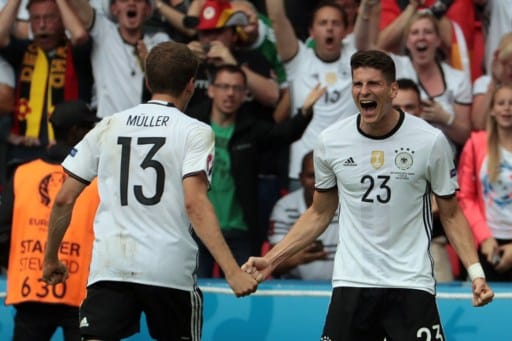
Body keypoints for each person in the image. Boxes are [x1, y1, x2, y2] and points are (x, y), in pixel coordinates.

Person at [242, 50, 494, 340]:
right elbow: (319, 213)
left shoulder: (430, 141)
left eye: (373, 84)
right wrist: (271, 260)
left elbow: (450, 213)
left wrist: (476, 273)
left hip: (410, 284)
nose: (364, 91)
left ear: (393, 90)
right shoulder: (332, 142)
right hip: (353, 283)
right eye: (357, 84)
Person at [42, 42, 257, 341]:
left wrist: (50, 258)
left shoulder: (108, 126)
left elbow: (65, 198)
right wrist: (232, 271)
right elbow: (195, 203)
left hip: (111, 266)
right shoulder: (194, 130)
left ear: (147, 81)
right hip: (168, 268)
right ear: (191, 85)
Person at [187, 64, 324, 276]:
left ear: (245, 94)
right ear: (210, 89)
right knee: (193, 289)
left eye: (237, 88)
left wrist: (304, 112)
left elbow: (283, 135)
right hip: (197, 228)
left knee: (246, 289)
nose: (230, 93)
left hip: (240, 228)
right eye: (224, 86)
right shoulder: (191, 123)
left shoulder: (250, 128)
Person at [0, 100, 99, 341]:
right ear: (77, 131)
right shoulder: (96, 179)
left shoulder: (22, 173)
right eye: (89, 128)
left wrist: (21, 266)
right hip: (80, 291)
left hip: (31, 286)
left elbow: (3, 232)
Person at [265, 0, 362, 190]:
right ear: (311, 31)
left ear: (345, 31)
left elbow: (369, 19)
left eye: (335, 23)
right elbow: (277, 18)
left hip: (350, 170)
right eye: (323, 23)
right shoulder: (298, 60)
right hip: (304, 173)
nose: (329, 28)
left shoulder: (357, 59)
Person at [359, 2, 472, 154]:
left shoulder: (458, 79)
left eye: (427, 32)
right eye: (415, 32)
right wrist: (366, 10)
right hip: (398, 159)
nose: (421, 37)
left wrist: (445, 118)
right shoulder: (394, 67)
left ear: (438, 40)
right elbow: (364, 50)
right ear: (407, 42)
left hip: (442, 162)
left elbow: (465, 136)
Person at [0, 0, 93, 169]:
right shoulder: (23, 51)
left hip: (67, 152)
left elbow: (79, 35)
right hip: (25, 152)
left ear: (62, 20)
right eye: (36, 18)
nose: (42, 25)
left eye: (49, 18)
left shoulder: (77, 53)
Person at [393, 77, 455, 282]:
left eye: (409, 107)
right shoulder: (370, 145)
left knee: (442, 309)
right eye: (396, 106)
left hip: (429, 245)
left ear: (420, 109)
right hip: (384, 247)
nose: (403, 112)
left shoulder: (434, 143)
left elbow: (443, 203)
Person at [67, 0, 170, 117]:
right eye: (123, 0)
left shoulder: (160, 45)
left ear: (147, 9)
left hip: (144, 128)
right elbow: (78, 5)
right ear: (113, 8)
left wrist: (150, 65)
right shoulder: (103, 32)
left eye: (139, 0)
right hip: (108, 128)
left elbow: (170, 92)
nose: (131, 3)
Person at [458, 84, 512, 281]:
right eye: (501, 103)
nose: (507, 108)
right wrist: (484, 237)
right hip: (487, 244)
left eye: (511, 104)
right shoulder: (475, 144)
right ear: (492, 110)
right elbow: (465, 197)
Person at [268, 150, 339, 280]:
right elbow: (273, 266)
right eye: (312, 176)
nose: (318, 182)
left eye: (322, 176)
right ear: (300, 178)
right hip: (294, 290)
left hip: (340, 288)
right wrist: (298, 259)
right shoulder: (285, 207)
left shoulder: (345, 204)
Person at [472, 32, 512, 131]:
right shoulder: (484, 83)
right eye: (511, 66)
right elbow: (479, 124)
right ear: (500, 63)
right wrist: (495, 83)